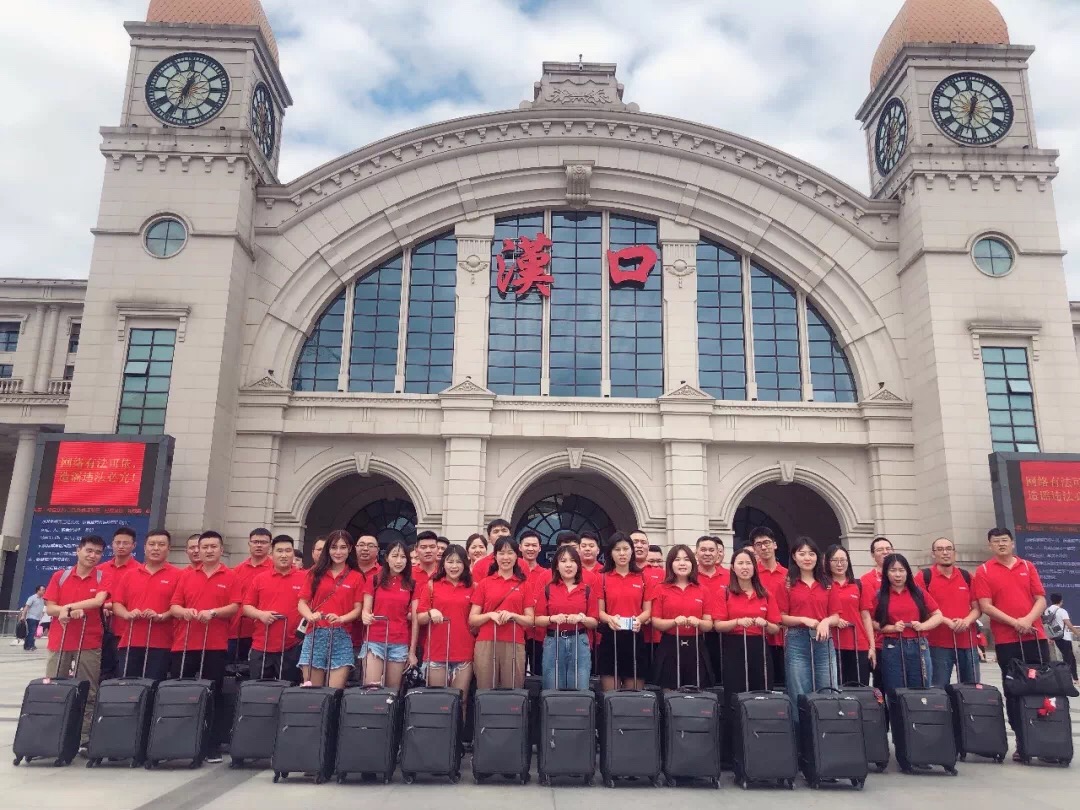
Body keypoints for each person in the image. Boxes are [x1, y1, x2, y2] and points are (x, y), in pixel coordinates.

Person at [973, 527, 1053, 753]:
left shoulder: (1027, 566)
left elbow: (1040, 599)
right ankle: (1022, 740)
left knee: (1042, 686)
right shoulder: (984, 571)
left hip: (1035, 637)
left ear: (1012, 543)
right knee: (1013, 689)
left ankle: (1047, 739)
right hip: (1007, 641)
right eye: (996, 541)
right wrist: (1015, 622)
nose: (1001, 544)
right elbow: (986, 606)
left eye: (1004, 540)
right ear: (990, 545)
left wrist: (1027, 620)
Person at [169, 531, 241, 762]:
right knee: (182, 693)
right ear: (197, 550)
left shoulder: (231, 576)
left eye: (213, 546)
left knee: (213, 694)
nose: (209, 550)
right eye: (205, 547)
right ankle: (178, 742)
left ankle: (211, 745)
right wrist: (185, 612)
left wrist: (214, 613)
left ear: (221, 550)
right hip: (184, 644)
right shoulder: (186, 576)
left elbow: (235, 607)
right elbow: (174, 607)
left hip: (215, 645)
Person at [43, 535, 110, 752]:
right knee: (54, 689)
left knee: (89, 690)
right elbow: (50, 607)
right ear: (78, 550)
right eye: (89, 550)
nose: (93, 556)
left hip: (89, 642)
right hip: (59, 642)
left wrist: (68, 607)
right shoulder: (60, 576)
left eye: (98, 552)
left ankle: (84, 737)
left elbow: (98, 601)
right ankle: (53, 735)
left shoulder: (102, 576)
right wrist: (64, 610)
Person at [298, 530, 363, 689]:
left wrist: (342, 618)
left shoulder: (356, 576)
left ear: (350, 549)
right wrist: (310, 615)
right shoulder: (315, 573)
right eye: (334, 547)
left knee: (335, 692)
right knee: (312, 690)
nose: (338, 552)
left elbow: (358, 609)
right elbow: (302, 603)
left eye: (343, 547)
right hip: (315, 633)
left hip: (342, 635)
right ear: (328, 549)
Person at [528, 546, 599, 690]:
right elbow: (537, 619)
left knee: (580, 687)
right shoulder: (548, 589)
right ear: (556, 566)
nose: (568, 565)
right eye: (563, 561)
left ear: (578, 565)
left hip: (579, 641)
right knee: (552, 686)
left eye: (572, 561)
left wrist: (582, 618)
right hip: (553, 641)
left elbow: (594, 622)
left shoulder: (586, 590)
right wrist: (552, 619)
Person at [873, 553, 944, 697]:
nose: (897, 575)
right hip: (892, 646)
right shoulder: (880, 596)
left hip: (919, 645)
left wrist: (923, 626)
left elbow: (938, 615)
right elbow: (872, 622)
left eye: (901, 570)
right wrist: (891, 628)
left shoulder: (918, 593)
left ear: (907, 572)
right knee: (895, 692)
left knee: (921, 690)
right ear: (886, 573)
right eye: (893, 570)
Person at [111, 529, 178, 681]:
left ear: (169, 548)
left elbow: (179, 606)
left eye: (161, 544)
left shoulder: (178, 575)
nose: (156, 548)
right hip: (130, 641)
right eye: (152, 544)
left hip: (162, 643)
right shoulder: (130, 574)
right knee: (128, 685)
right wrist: (127, 614)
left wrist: (162, 616)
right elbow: (117, 604)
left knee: (154, 685)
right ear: (144, 547)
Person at [779, 538, 837, 713]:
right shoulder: (787, 583)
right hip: (797, 640)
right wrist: (803, 619)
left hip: (824, 640)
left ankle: (826, 727)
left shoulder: (827, 583)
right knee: (799, 692)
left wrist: (826, 621)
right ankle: (801, 729)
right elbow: (781, 617)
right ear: (794, 557)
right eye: (802, 553)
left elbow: (836, 615)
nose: (807, 558)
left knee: (828, 690)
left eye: (811, 554)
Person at [714, 548, 781, 693]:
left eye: (748, 563)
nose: (745, 567)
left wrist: (766, 624)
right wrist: (737, 622)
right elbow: (718, 625)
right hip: (733, 645)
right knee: (735, 689)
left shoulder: (765, 594)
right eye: (740, 563)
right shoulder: (724, 593)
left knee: (761, 688)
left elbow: (776, 628)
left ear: (755, 567)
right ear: (733, 567)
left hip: (759, 645)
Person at [417, 544, 475, 709]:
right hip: (436, 651)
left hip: (464, 651)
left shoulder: (473, 587)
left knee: (460, 701)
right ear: (443, 563)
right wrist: (430, 612)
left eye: (458, 562)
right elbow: (420, 618)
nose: (454, 566)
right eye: (450, 561)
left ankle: (459, 727)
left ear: (465, 564)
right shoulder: (432, 585)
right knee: (438, 701)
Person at [650, 545, 716, 689]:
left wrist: (698, 622)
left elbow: (709, 624)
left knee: (696, 691)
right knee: (669, 691)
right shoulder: (660, 588)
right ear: (670, 564)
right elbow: (656, 622)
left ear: (692, 563)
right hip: (669, 645)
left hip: (696, 645)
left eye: (686, 559)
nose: (682, 563)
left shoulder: (703, 590)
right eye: (677, 559)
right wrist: (674, 622)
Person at [469, 537, 530, 689]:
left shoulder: (524, 584)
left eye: (510, 553)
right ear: (495, 556)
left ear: (517, 556)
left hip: (514, 641)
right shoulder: (485, 583)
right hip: (486, 641)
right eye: (501, 553)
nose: (506, 557)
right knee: (485, 688)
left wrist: (513, 615)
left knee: (513, 689)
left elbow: (530, 620)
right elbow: (472, 618)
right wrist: (490, 615)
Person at [243, 535, 305, 683]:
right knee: (258, 690)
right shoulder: (260, 578)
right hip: (262, 645)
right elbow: (246, 607)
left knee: (289, 690)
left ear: (293, 553)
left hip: (293, 646)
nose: (284, 555)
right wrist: (260, 614)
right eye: (279, 551)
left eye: (288, 551)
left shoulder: (305, 578)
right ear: (271, 553)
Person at [921, 537, 980, 686]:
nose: (945, 553)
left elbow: (977, 608)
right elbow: (920, 609)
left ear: (954, 552)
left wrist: (966, 621)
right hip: (937, 644)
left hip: (967, 642)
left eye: (949, 549)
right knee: (939, 689)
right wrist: (946, 621)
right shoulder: (924, 577)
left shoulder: (966, 576)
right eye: (940, 549)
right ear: (933, 554)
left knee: (971, 689)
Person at [597, 532, 651, 690]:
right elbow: (599, 612)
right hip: (610, 636)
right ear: (610, 553)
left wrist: (639, 620)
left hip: (635, 635)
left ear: (632, 551)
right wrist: (610, 619)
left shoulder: (642, 577)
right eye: (617, 549)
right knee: (610, 693)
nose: (622, 553)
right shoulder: (602, 578)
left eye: (626, 549)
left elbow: (647, 610)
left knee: (634, 693)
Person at [361, 540, 418, 689]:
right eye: (395, 556)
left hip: (399, 641)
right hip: (374, 639)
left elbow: (415, 620)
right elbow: (365, 609)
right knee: (371, 688)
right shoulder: (374, 579)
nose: (399, 561)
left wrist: (412, 652)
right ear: (386, 558)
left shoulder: (412, 584)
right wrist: (365, 615)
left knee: (392, 691)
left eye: (403, 557)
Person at [824, 544, 875, 686]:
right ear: (827, 562)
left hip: (858, 644)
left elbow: (866, 617)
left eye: (843, 560)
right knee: (836, 687)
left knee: (859, 687)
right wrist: (834, 619)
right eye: (835, 560)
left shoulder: (859, 585)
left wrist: (871, 647)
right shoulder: (823, 586)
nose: (839, 564)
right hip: (832, 643)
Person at [97, 526, 141, 682]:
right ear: (112, 544)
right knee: (100, 673)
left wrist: (111, 606)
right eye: (118, 542)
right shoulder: (99, 570)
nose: (121, 546)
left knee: (123, 673)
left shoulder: (139, 571)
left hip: (125, 632)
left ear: (134, 546)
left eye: (126, 543)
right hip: (99, 632)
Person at [748, 527, 788, 687]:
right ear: (754, 549)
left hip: (785, 637)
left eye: (767, 543)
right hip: (760, 636)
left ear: (775, 544)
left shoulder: (788, 575)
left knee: (786, 683)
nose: (763, 547)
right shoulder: (751, 574)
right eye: (758, 544)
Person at [230, 527, 273, 662]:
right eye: (255, 542)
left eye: (263, 542)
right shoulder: (237, 570)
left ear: (270, 545)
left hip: (266, 630)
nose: (259, 545)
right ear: (249, 544)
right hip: (238, 630)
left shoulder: (275, 568)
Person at [861, 536, 894, 689]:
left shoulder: (905, 577)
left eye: (888, 549)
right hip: (880, 642)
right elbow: (865, 614)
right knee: (881, 686)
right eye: (880, 550)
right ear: (873, 555)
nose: (885, 552)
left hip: (904, 641)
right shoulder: (866, 580)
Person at [349, 534, 382, 681]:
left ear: (378, 550)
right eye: (361, 545)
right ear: (355, 548)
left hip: (375, 640)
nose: (365, 548)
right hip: (346, 636)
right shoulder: (346, 571)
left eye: (370, 545)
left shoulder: (384, 574)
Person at [696, 535, 728, 683]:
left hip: (724, 634)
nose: (707, 553)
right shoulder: (689, 576)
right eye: (703, 550)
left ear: (717, 553)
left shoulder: (730, 576)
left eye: (711, 550)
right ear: (696, 553)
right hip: (698, 633)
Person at [518, 529, 549, 676]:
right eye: (527, 545)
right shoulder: (514, 572)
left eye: (534, 545)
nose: (530, 548)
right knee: (517, 674)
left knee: (539, 674)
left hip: (540, 632)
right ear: (520, 547)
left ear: (540, 548)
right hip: (518, 630)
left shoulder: (547, 574)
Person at [1044, 594, 1078, 685]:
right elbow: (1069, 625)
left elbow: (1047, 625)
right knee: (1070, 659)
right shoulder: (1061, 611)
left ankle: (1070, 678)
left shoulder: (1047, 610)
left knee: (1067, 658)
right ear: (1061, 601)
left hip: (1056, 636)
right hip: (1064, 637)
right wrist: (1078, 634)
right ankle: (1073, 679)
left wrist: (1049, 636)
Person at [19, 585, 46, 651]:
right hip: (31, 617)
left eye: (44, 590)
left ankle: (27, 645)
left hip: (38, 618)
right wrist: (23, 616)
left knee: (32, 632)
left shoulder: (43, 599)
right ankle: (31, 645)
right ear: (38, 590)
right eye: (42, 590)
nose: (44, 591)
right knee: (32, 631)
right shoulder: (32, 598)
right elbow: (26, 607)